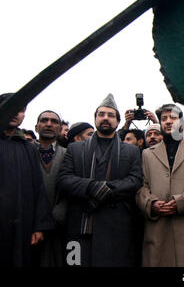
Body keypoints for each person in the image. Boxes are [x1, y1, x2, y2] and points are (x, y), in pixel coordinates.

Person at [57, 93, 142, 267]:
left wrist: (106, 189)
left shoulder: (131, 151)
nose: (105, 118)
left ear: (118, 122)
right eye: (101, 114)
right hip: (81, 223)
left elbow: (134, 181)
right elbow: (64, 179)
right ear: (95, 119)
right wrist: (92, 187)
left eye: (111, 115)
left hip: (117, 226)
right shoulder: (75, 149)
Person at [136, 103, 184, 267]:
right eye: (164, 118)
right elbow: (140, 185)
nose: (168, 121)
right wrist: (151, 204)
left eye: (173, 117)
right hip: (159, 229)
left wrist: (182, 202)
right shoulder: (147, 154)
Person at [0, 93, 54, 267]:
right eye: (12, 107)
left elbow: (38, 187)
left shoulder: (29, 148)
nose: (16, 113)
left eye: (21, 109)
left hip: (23, 225)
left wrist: (39, 226)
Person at [33, 110, 68, 266]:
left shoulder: (68, 154)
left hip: (59, 226)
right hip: (29, 225)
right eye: (44, 120)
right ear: (36, 127)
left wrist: (56, 215)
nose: (48, 124)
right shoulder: (24, 151)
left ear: (60, 128)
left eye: (54, 121)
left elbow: (71, 189)